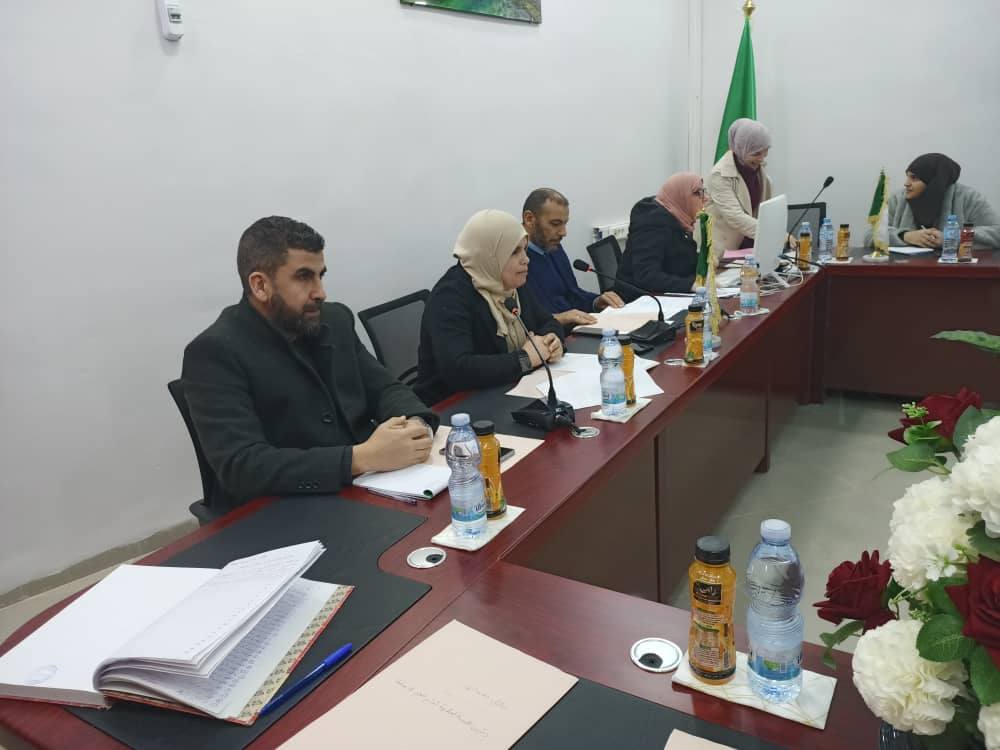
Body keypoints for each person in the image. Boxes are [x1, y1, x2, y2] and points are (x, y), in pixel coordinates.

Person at [182, 216, 438, 513]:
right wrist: (360, 458)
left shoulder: (335, 319)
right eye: (304, 277)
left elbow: (384, 388)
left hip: (369, 489)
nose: (320, 292)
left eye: (320, 276)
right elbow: (243, 466)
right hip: (283, 511)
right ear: (260, 285)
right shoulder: (214, 352)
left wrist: (416, 426)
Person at [415, 209, 565, 406]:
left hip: (504, 392)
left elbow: (547, 322)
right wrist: (526, 358)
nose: (525, 259)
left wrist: (551, 341)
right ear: (490, 255)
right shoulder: (450, 296)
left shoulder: (508, 283)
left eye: (524, 249)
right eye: (514, 252)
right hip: (452, 406)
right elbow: (459, 369)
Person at [521, 187, 624, 329]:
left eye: (565, 223)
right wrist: (559, 318)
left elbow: (572, 294)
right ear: (529, 219)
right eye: (555, 224)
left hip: (574, 330)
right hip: (550, 336)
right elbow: (524, 321)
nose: (563, 232)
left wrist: (596, 302)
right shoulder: (514, 259)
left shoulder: (554, 248)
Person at [868, 153, 1000, 249]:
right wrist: (905, 236)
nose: (906, 183)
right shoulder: (898, 199)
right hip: (905, 271)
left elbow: (996, 233)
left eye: (914, 178)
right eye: (907, 177)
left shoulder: (968, 197)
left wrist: (951, 238)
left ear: (933, 182)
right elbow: (869, 235)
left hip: (956, 272)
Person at [614, 173, 708, 302]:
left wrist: (706, 263)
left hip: (662, 296)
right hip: (636, 301)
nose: (705, 199)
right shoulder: (653, 222)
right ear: (681, 195)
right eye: (698, 193)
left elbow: (679, 258)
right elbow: (646, 275)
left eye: (703, 192)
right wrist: (691, 285)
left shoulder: (678, 217)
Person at [705, 118, 782, 256]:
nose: (762, 159)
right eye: (756, 153)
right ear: (741, 149)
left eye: (765, 152)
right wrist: (776, 234)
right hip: (724, 251)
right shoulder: (719, 175)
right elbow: (735, 217)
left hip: (750, 248)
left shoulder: (759, 171)